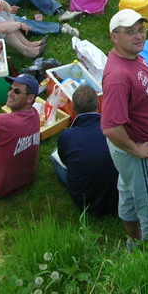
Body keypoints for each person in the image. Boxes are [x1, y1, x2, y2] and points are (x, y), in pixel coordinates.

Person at [101, 9, 148, 242]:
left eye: (140, 29)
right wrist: (135, 149)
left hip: (136, 145)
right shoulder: (118, 77)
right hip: (140, 149)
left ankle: (134, 242)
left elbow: (142, 86)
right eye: (130, 32)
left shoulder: (133, 57)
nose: (139, 36)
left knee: (130, 194)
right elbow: (111, 127)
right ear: (114, 36)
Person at [53, 84, 119, 217]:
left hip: (87, 203)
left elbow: (65, 160)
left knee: (54, 159)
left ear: (73, 109)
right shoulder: (115, 128)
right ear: (99, 105)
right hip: (119, 197)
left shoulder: (67, 135)